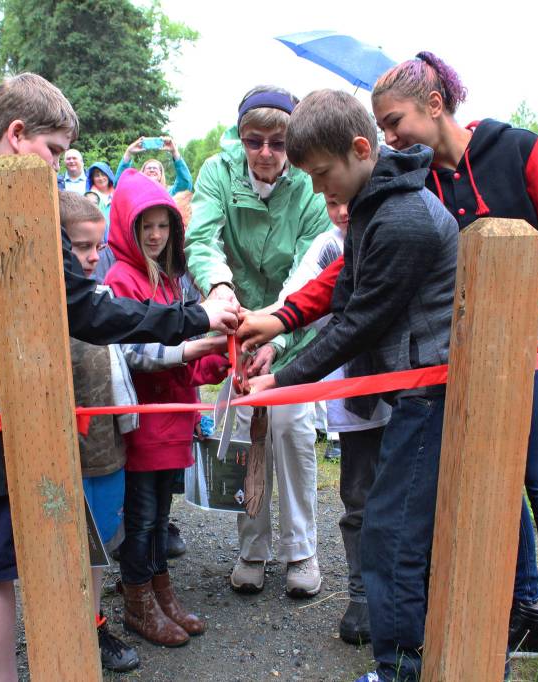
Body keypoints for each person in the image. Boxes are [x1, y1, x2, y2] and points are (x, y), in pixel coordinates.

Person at [0, 72, 239, 682]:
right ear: (17, 136)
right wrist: (194, 315)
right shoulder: (8, 208)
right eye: (51, 151)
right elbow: (89, 309)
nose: (54, 168)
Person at [371, 52, 538, 681]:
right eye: (383, 128)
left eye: (395, 122)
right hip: (474, 364)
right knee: (498, 482)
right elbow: (365, 266)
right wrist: (285, 314)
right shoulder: (417, 184)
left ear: (436, 104)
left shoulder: (522, 152)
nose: (390, 138)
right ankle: (519, 610)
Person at [238, 89, 459, 681]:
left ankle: (400, 669)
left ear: (362, 149)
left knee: (393, 535)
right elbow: (342, 287)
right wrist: (280, 320)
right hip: (414, 395)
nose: (317, 190)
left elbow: (360, 321)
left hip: (429, 398)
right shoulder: (375, 205)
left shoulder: (404, 219)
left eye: (321, 173)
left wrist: (283, 381)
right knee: (393, 529)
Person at [185, 85, 332, 599]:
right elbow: (203, 239)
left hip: (293, 321)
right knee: (242, 426)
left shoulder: (310, 186)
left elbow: (312, 265)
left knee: (292, 428)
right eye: (254, 141)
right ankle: (251, 548)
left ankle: (301, 550)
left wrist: (280, 329)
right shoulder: (217, 173)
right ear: (240, 138)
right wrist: (222, 291)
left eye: (277, 141)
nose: (266, 153)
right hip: (235, 321)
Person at [105, 168, 227, 648]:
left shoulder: (172, 282)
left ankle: (160, 591)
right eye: (146, 226)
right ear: (128, 228)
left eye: (163, 226)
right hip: (144, 425)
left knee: (161, 514)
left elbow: (186, 349)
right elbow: (131, 352)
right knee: (142, 517)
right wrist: (191, 352)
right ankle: (138, 602)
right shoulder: (121, 279)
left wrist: (216, 359)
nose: (155, 236)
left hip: (174, 417)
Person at [269, 197, 392, 645]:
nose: (342, 211)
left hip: (404, 386)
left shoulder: (390, 232)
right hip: (354, 394)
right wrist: (270, 331)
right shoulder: (326, 247)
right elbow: (298, 295)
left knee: (404, 495)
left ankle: (400, 595)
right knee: (357, 495)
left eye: (349, 202)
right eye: (333, 203)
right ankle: (361, 595)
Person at [59, 190, 141, 673]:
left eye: (98, 247)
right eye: (82, 247)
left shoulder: (102, 299)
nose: (94, 258)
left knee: (98, 546)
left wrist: (192, 347)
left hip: (106, 448)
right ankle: (61, 626)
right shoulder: (34, 309)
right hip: (61, 455)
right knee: (61, 542)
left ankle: (92, 623)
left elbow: (130, 351)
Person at [116, 136, 192, 195]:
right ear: (142, 173)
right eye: (148, 168)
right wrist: (128, 152)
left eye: (155, 168)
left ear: (161, 174)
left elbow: (185, 183)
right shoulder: (135, 193)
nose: (152, 170)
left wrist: (174, 152)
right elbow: (120, 186)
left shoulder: (169, 193)